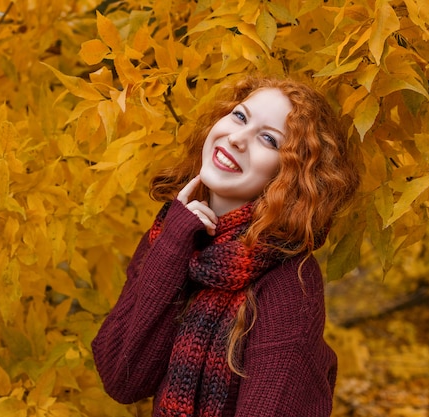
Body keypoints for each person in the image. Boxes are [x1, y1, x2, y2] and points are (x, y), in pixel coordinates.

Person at [91, 75, 360, 417]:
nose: (236, 138)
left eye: (268, 139)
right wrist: (173, 243)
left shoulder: (289, 285)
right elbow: (122, 379)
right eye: (239, 116)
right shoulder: (177, 241)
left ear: (289, 175)